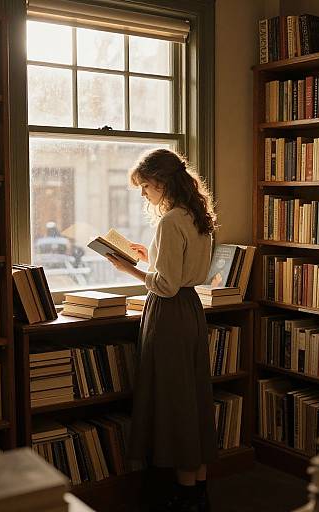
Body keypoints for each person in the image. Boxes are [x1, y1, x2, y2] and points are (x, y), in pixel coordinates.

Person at [106, 149, 217, 512]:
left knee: (174, 402)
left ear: (163, 182)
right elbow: (183, 273)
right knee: (193, 397)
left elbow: (165, 286)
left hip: (168, 313)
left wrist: (128, 269)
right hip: (191, 312)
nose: (144, 194)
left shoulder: (170, 221)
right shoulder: (197, 216)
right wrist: (148, 258)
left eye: (146, 186)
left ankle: (184, 497)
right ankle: (198, 489)